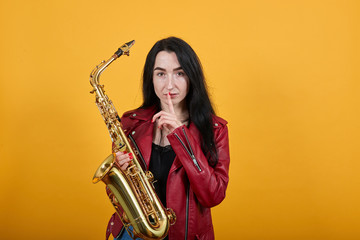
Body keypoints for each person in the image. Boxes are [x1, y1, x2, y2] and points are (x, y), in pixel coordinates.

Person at [105, 37, 230, 240]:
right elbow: (116, 195)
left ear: (191, 77)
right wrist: (120, 173)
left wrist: (181, 135)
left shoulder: (215, 129)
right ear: (151, 78)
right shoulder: (131, 123)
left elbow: (213, 195)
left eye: (179, 73)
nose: (169, 84)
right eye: (161, 74)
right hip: (133, 234)